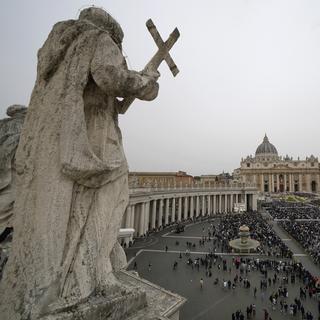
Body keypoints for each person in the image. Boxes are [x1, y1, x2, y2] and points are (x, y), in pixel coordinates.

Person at [0, 7, 160, 319]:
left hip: (62, 140)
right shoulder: (98, 39)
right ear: (113, 33)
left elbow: (112, 99)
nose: (120, 52)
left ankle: (73, 276)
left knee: (76, 210)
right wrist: (145, 82)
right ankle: (92, 277)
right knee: (113, 198)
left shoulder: (60, 49)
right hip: (96, 140)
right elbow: (110, 77)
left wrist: (138, 80)